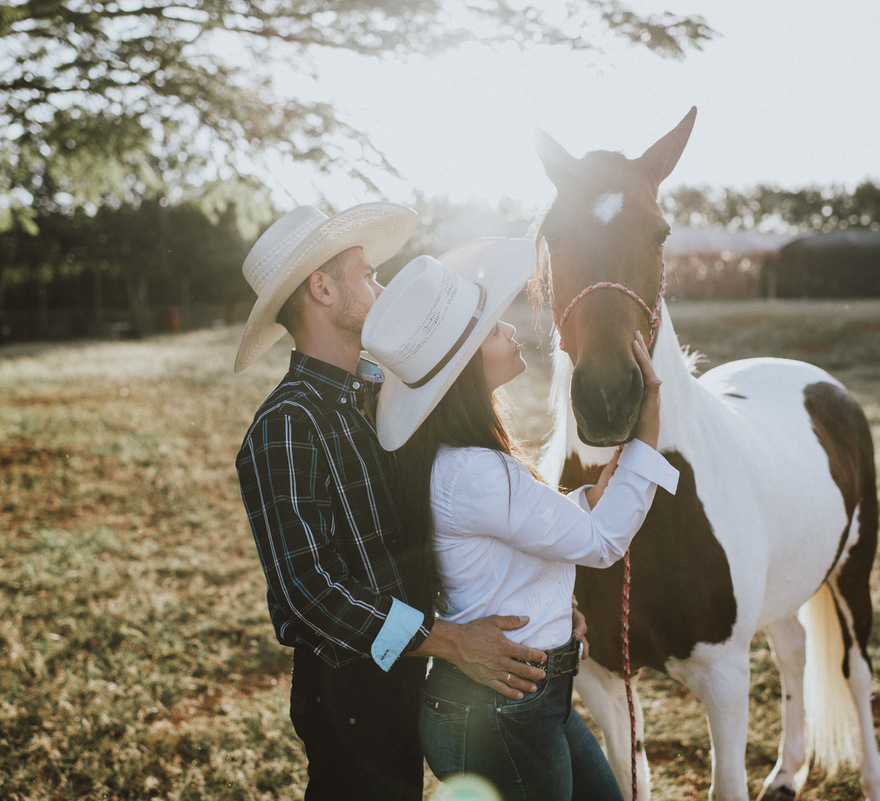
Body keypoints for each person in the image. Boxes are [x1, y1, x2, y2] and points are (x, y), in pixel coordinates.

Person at [233, 205, 556, 801]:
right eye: (367, 274)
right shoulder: (287, 423)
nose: (382, 287)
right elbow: (308, 591)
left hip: (411, 664)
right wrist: (450, 640)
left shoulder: (380, 393)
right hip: (349, 688)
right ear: (322, 289)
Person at [361, 238, 680, 801]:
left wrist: (585, 502)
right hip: (500, 712)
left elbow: (530, 530)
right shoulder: (478, 472)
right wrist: (648, 435)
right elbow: (602, 544)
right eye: (491, 330)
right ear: (461, 372)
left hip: (526, 700)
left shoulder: (461, 464)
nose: (510, 330)